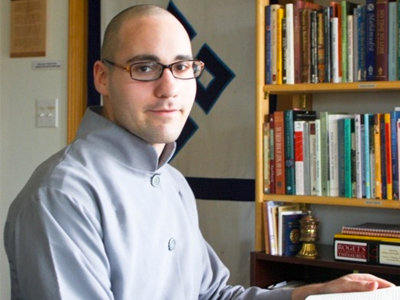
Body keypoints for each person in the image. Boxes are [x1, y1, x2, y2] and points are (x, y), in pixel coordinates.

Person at [3, 4, 395, 300]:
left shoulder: (172, 183)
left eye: (182, 66)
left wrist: (309, 294)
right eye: (144, 68)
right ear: (103, 78)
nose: (169, 88)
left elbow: (212, 295)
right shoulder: (62, 196)